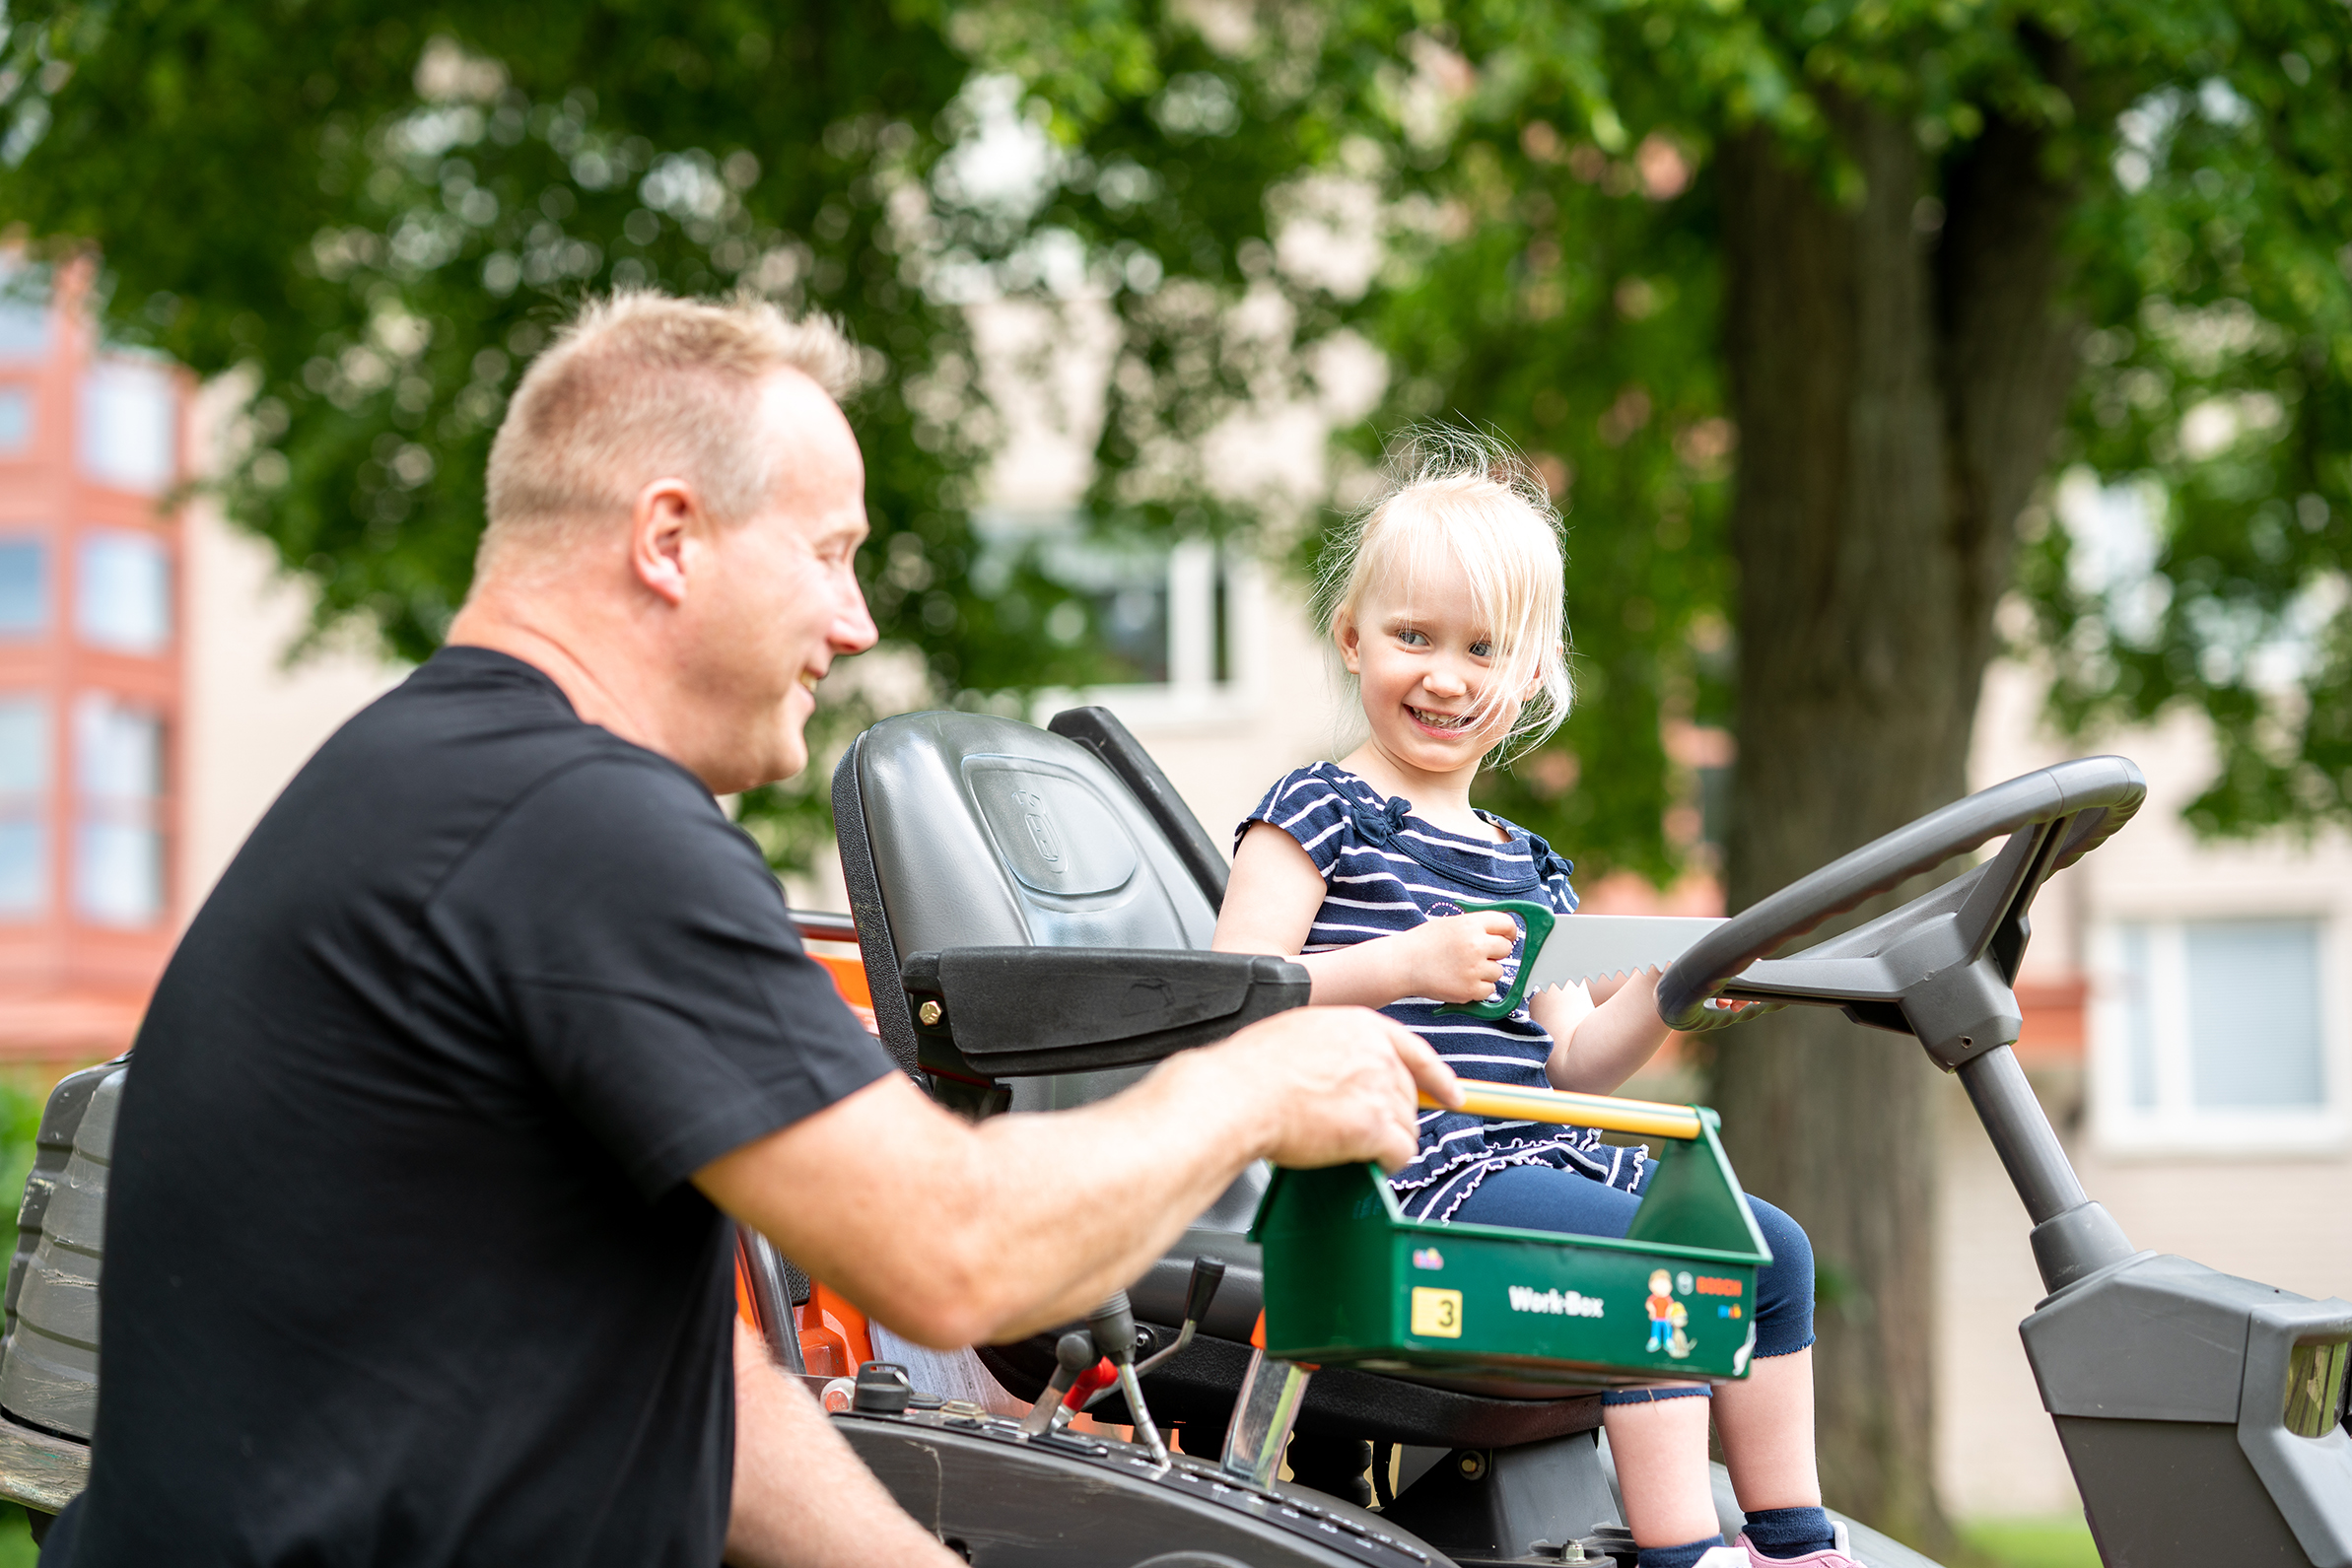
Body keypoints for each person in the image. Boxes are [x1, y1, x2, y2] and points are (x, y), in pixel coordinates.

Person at [44, 293, 1460, 1568]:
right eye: (830, 552)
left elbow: (690, 1390)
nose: (851, 621)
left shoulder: (434, 779)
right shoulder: (575, 821)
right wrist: (1253, 1083)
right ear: (670, 538)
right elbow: (954, 1252)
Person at [1211, 429, 1857, 1568]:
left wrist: (1669, 995)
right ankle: (1679, 1550)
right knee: (1657, 1258)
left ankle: (1794, 1543)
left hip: (1534, 1166)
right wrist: (1404, 967)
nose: (1446, 676)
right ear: (1352, 637)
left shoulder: (1526, 864)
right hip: (1397, 1183)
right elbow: (1236, 992)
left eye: (1483, 650)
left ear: (1532, 673)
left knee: (1776, 1250)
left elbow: (1570, 1069)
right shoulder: (1317, 809)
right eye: (1413, 637)